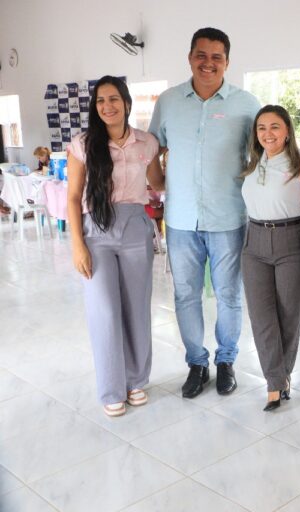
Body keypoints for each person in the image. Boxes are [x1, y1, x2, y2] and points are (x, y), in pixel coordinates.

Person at [148, 28, 261, 399]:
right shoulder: (168, 101)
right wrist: (160, 183)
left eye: (216, 57)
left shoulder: (247, 104)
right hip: (181, 219)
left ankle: (226, 360)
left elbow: (263, 154)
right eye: (201, 55)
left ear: (227, 62)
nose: (208, 63)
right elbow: (151, 150)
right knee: (185, 295)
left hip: (228, 217)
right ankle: (197, 363)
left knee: (229, 295)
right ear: (190, 57)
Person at [66, 76, 162, 417]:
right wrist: (78, 245)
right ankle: (111, 387)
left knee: (137, 307)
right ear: (95, 107)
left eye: (114, 99)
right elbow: (73, 198)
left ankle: (136, 381)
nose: (107, 106)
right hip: (96, 230)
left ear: (126, 103)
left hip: (135, 227)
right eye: (101, 100)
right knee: (104, 310)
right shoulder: (82, 145)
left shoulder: (146, 142)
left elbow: (157, 182)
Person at [241, 105, 300, 412]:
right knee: (261, 317)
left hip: (291, 240)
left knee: (288, 315)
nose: (267, 133)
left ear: (287, 132)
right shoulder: (252, 165)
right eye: (261, 128)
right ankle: (274, 382)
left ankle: (282, 376)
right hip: (254, 241)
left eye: (274, 127)